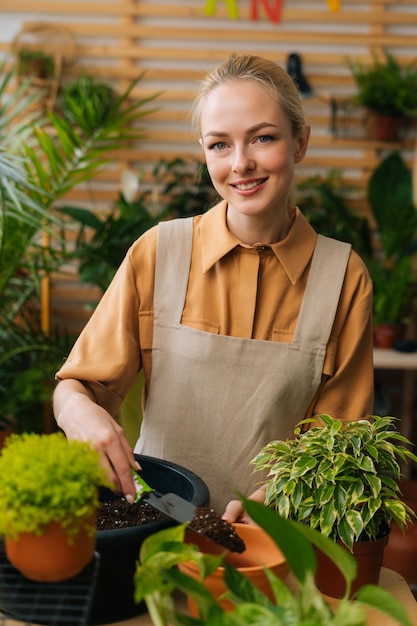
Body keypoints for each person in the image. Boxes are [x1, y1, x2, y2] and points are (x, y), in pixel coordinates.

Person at [53, 54, 374, 521]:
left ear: (300, 142)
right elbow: (76, 388)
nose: (241, 164)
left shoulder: (344, 277)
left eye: (262, 138)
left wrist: (271, 508)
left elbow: (339, 446)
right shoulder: (159, 252)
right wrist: (76, 413)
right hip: (154, 534)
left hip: (275, 545)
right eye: (219, 145)